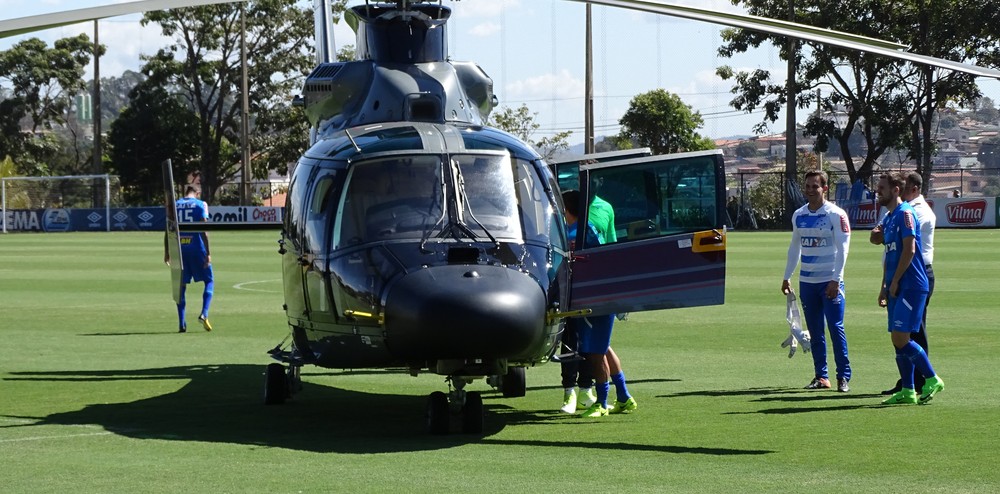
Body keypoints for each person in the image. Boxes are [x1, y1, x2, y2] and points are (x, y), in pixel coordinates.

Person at [561, 190, 636, 418]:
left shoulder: (574, 234)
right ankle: (623, 397)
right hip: (600, 295)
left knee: (595, 353)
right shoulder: (585, 230)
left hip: (593, 299)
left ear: (567, 209)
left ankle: (602, 404)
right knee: (603, 347)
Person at [874, 172, 944, 405]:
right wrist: (885, 285)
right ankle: (907, 389)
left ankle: (932, 378)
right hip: (896, 284)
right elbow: (889, 252)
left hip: (911, 285)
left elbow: (910, 250)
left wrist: (895, 282)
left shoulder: (905, 214)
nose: (877, 191)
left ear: (896, 190)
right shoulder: (891, 216)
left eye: (882, 187)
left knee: (902, 337)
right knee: (897, 338)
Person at [781, 170, 852, 392]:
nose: (811, 190)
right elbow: (795, 248)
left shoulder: (836, 214)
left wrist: (836, 279)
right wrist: (787, 276)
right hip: (807, 282)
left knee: (835, 327)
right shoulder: (799, 215)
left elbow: (843, 249)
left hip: (829, 281)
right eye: (808, 186)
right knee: (815, 330)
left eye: (815, 186)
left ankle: (843, 376)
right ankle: (822, 377)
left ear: (825, 188)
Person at [165, 184, 214, 333]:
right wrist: (208, 253)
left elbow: (168, 230)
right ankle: (204, 313)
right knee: (209, 280)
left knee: (181, 287)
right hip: (196, 248)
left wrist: (167, 251)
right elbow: (204, 230)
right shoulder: (201, 204)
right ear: (197, 193)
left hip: (179, 250)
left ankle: (182, 323)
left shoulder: (175, 205)